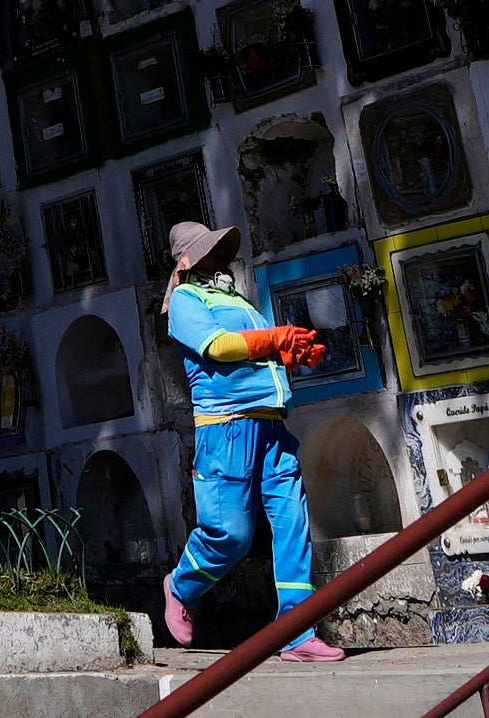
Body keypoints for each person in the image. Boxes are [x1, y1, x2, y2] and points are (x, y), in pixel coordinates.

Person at [155, 219, 344, 658]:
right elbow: (219, 348)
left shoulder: (233, 298)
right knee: (231, 535)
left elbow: (256, 351)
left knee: (294, 526)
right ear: (187, 261)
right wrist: (274, 339)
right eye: (209, 251)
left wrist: (290, 353)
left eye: (220, 249)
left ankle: (297, 632)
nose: (220, 257)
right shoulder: (186, 299)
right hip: (227, 430)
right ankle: (180, 587)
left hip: (272, 427)